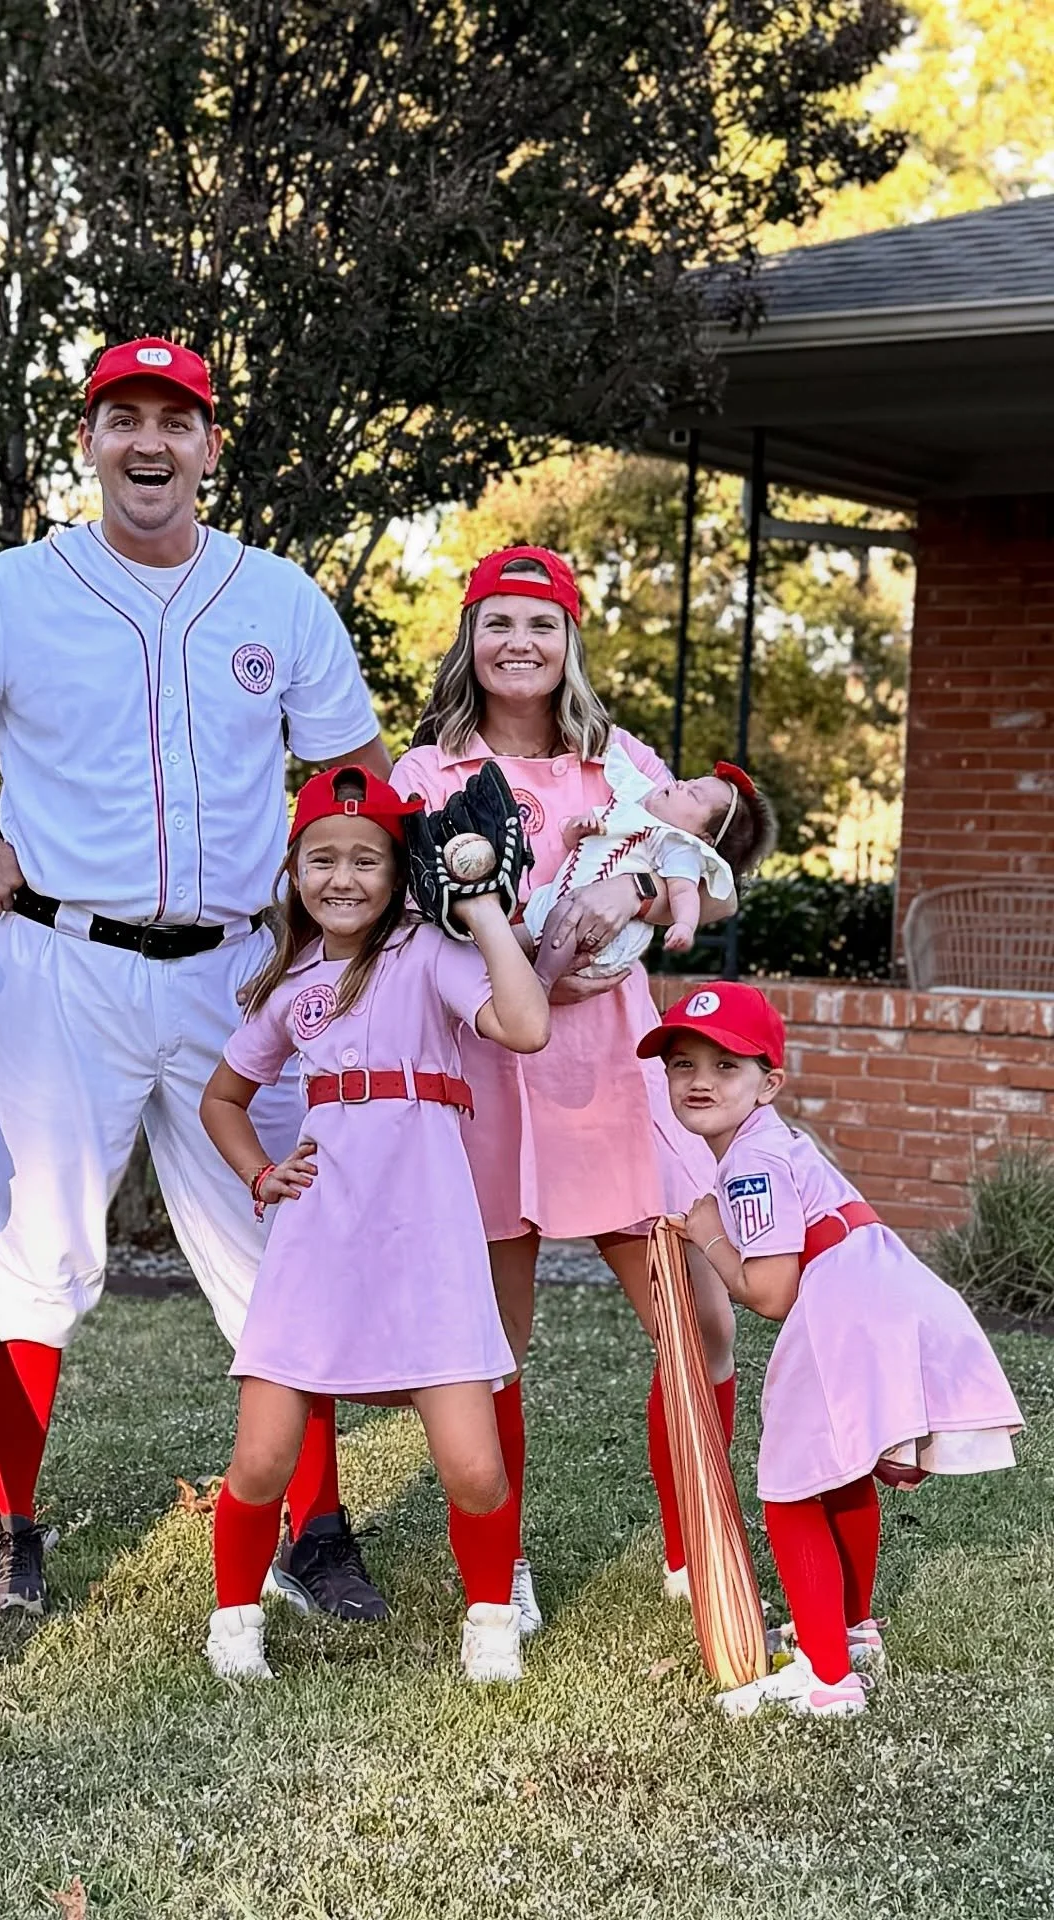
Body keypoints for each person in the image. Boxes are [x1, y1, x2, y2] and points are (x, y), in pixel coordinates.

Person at [0, 337, 393, 1619]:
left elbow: (355, 767)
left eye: (173, 423)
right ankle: (11, 1528)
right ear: (89, 439)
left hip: (241, 968)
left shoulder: (277, 596)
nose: (148, 443)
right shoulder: (23, 587)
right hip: (65, 958)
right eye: (122, 417)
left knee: (281, 1230)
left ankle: (315, 1523)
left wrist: (348, 899)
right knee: (34, 1243)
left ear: (207, 447)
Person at [391, 545, 741, 1630]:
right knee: (495, 1340)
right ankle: (504, 1575)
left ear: (569, 642)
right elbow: (405, 921)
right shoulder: (427, 776)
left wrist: (637, 879)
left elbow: (711, 891)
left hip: (611, 1068)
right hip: (488, 1064)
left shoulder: (617, 760)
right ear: (468, 639)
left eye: (541, 625)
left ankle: (700, 1554)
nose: (520, 644)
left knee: (701, 1318)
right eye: (498, 623)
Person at [198, 765, 549, 1682]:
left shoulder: (428, 954)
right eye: (321, 858)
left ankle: (488, 1625)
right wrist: (259, 1172)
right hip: (320, 1234)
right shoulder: (288, 986)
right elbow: (224, 1099)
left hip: (427, 1232)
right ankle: (233, 1622)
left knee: (473, 1470)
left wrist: (477, 909)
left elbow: (526, 1025)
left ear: (400, 874)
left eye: (366, 859)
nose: (341, 878)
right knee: (262, 1458)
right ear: (295, 871)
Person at [640, 983, 1023, 1718]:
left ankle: (826, 1677)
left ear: (768, 1082)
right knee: (841, 1469)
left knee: (790, 1489)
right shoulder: (776, 1140)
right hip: (881, 1290)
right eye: (682, 1064)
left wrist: (706, 1228)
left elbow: (773, 1292)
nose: (699, 1081)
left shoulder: (749, 1165)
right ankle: (852, 1631)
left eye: (727, 1066)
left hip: (840, 1306)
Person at [523, 748, 777, 983]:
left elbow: (684, 891)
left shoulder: (677, 845)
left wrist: (684, 925)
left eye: (693, 794)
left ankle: (541, 984)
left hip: (599, 935)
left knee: (564, 920)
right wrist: (579, 829)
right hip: (550, 904)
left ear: (704, 838)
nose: (679, 784)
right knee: (513, 937)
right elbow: (574, 844)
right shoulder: (629, 811)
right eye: (689, 782)